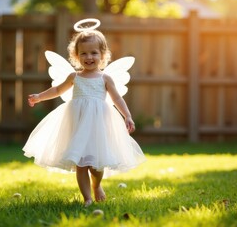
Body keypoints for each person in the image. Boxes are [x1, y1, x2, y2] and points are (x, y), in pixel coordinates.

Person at [23, 20, 146, 207]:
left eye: (94, 53)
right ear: (76, 55)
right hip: (78, 123)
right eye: (84, 53)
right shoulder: (74, 77)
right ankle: (87, 197)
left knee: (97, 166)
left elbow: (117, 99)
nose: (89, 57)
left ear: (103, 55)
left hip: (99, 125)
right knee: (80, 162)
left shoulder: (105, 78)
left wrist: (127, 115)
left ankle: (97, 185)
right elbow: (57, 90)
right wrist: (39, 97)